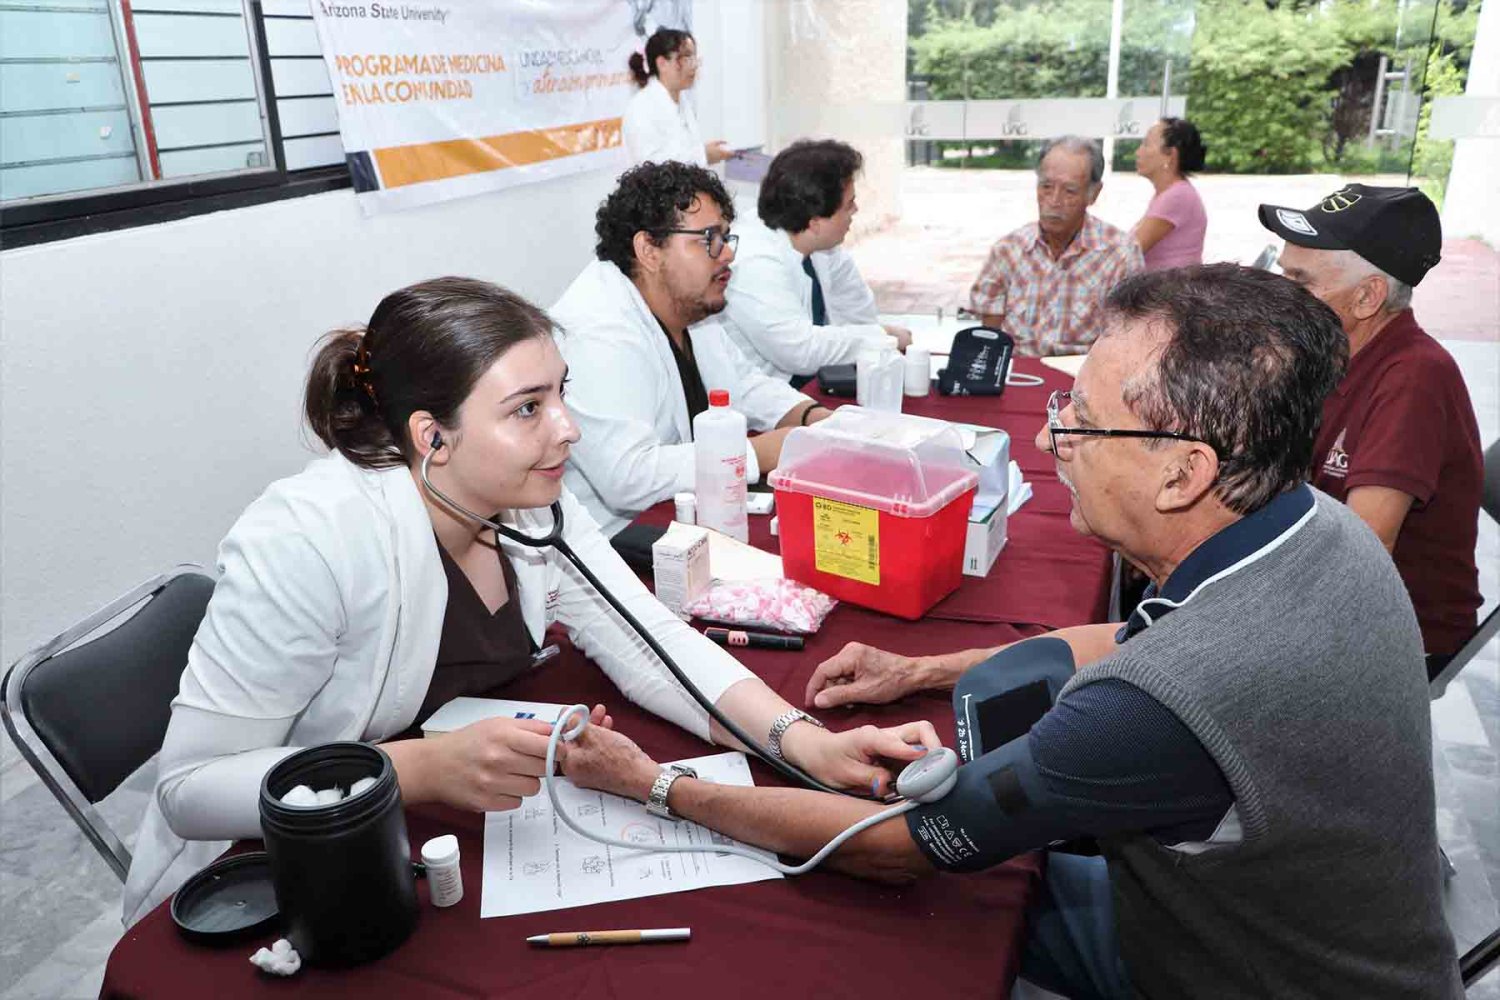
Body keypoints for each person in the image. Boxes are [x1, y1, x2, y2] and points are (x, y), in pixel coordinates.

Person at [563, 265, 1464, 999]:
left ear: (1185, 473)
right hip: (1303, 926)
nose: (1051, 439)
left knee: (851, 934)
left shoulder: (1148, 712)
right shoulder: (1312, 522)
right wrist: (920, 666)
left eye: (1080, 419)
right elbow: (1139, 635)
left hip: (1237, 971)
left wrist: (656, 785)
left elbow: (890, 848)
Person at [122, 277, 937, 926]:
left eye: (561, 393)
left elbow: (652, 640)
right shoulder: (307, 542)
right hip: (280, 870)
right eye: (528, 409)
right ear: (430, 436)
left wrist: (803, 743)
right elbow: (190, 791)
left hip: (433, 840)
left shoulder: (528, 499)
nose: (569, 428)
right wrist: (417, 769)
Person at [1260, 184, 1482, 670]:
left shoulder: (1414, 378)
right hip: (1325, 602)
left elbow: (1362, 548)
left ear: (1367, 296)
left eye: (1300, 284)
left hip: (1389, 636)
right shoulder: (1333, 354)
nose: (1280, 298)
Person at [553, 161, 833, 537]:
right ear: (649, 249)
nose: (727, 254)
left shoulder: (689, 303)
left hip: (679, 517)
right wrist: (763, 451)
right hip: (614, 542)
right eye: (709, 239)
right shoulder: (598, 330)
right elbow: (629, 476)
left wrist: (812, 418)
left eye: (726, 237)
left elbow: (743, 384)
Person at [721, 139, 911, 383]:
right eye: (849, 204)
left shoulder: (822, 246)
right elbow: (799, 351)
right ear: (815, 222)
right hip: (762, 404)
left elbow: (859, 315)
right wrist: (883, 336)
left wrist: (875, 337)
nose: (856, 210)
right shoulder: (752, 259)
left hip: (815, 384)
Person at [969, 136, 1143, 356]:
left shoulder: (1120, 254)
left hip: (1081, 380)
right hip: (1019, 372)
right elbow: (990, 336)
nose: (1054, 200)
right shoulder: (1008, 250)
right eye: (1046, 187)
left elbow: (1127, 339)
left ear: (1094, 193)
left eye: (1069, 191)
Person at [622, 28, 729, 168]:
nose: (694, 65)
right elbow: (651, 167)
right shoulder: (641, 107)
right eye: (685, 58)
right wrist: (704, 155)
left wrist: (705, 153)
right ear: (662, 63)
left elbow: (681, 151)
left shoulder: (682, 101)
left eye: (694, 58)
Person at [1131, 117, 1208, 270]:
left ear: (1170, 156)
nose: (1138, 152)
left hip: (1169, 290)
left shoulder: (1177, 197)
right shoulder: (1171, 193)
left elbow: (1130, 251)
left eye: (1146, 144)